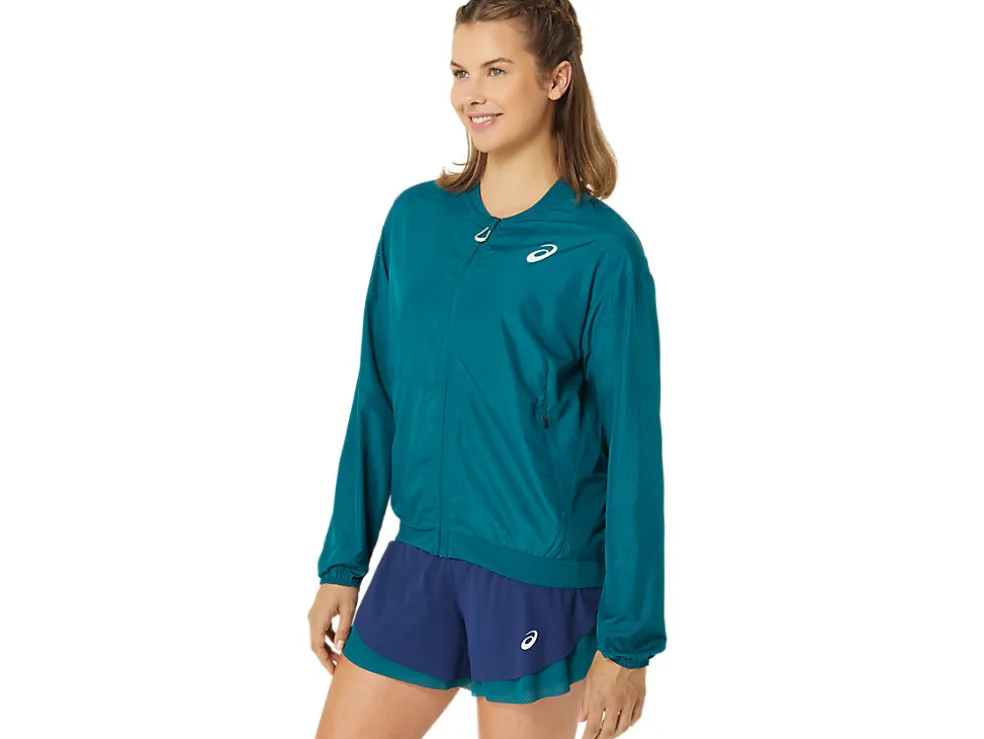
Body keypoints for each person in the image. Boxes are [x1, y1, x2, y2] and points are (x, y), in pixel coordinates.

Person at [309, 2, 665, 737]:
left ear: (557, 79)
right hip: (420, 561)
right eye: (460, 71)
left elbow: (634, 452)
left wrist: (627, 643)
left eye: (496, 71)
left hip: (539, 580)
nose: (471, 93)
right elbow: (377, 396)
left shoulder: (601, 251)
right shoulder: (414, 221)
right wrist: (343, 563)